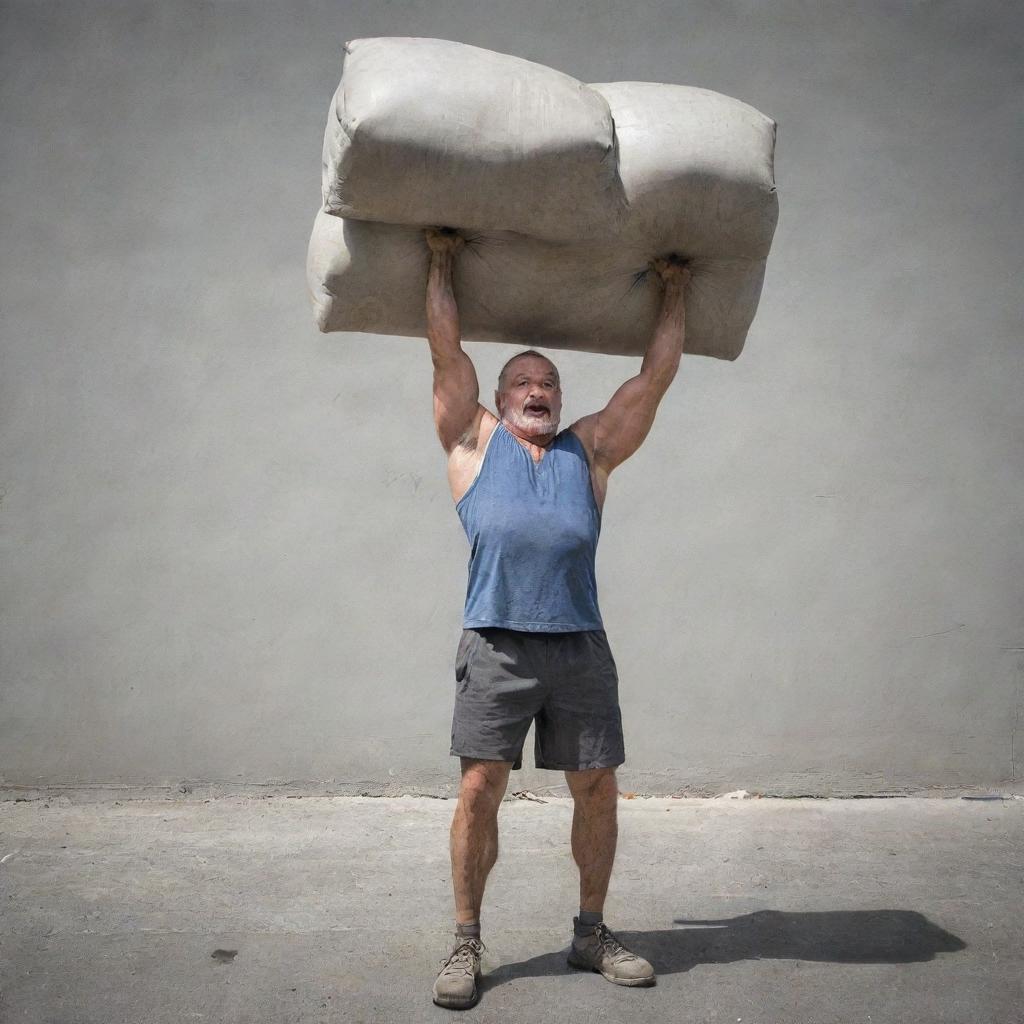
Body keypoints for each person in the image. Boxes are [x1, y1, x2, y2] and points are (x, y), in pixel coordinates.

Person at [423, 226, 691, 1010]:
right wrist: (440, 257)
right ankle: (467, 941)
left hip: (578, 647)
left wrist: (675, 286)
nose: (538, 389)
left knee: (598, 789)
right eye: (523, 382)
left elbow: (657, 375)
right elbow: (445, 352)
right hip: (497, 644)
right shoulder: (472, 440)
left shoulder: (591, 454)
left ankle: (591, 931)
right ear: (501, 399)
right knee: (479, 789)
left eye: (550, 383)